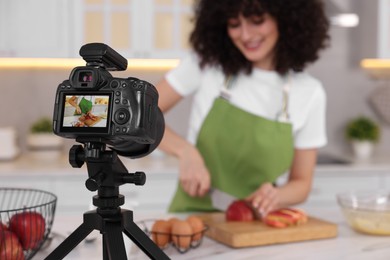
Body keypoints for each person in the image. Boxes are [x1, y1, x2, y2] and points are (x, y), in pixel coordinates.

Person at [156, 0, 330, 215]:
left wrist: (277, 196)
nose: (245, 35)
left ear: (286, 20)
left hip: (256, 225)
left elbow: (302, 183)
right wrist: (185, 152)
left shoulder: (309, 92)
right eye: (234, 24)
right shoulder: (205, 65)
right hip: (192, 219)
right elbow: (141, 113)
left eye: (257, 21)